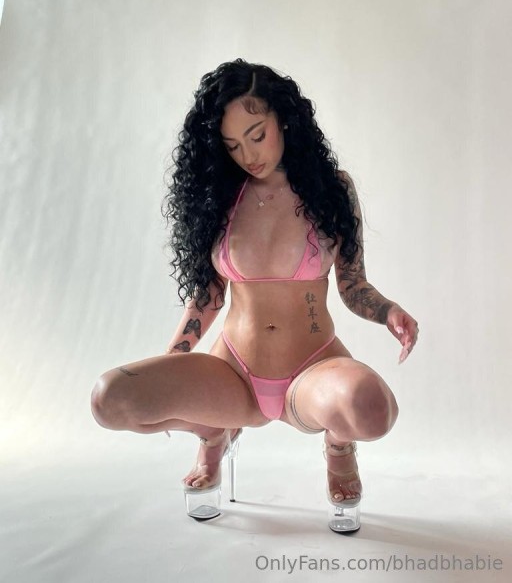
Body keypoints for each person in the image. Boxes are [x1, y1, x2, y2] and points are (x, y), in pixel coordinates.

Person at [90, 59, 419, 531]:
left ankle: (338, 445)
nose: (248, 155)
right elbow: (208, 296)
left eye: (256, 135)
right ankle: (213, 432)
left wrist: (388, 311)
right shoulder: (219, 197)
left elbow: (352, 285)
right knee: (110, 398)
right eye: (233, 145)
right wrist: (175, 362)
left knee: (373, 411)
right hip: (233, 373)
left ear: (284, 119)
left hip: (313, 369)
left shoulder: (332, 190)